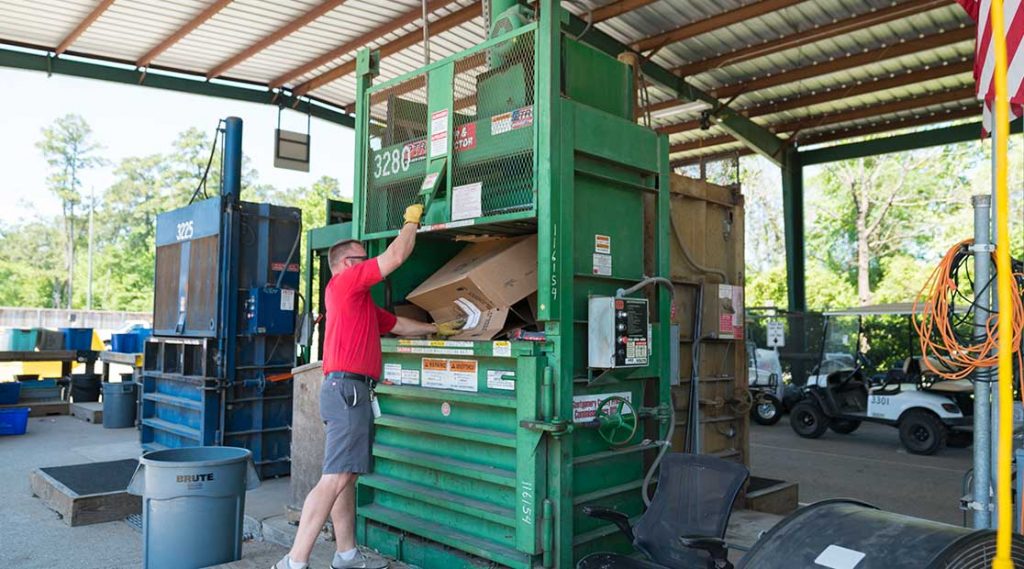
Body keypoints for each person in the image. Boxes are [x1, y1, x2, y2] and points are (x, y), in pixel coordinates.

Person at [276, 203, 463, 569]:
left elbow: (397, 325)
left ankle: (345, 554)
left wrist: (435, 329)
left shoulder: (356, 302)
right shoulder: (347, 282)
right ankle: (294, 561)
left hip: (345, 391)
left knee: (343, 477)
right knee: (335, 478)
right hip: (349, 392)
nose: (368, 262)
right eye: (363, 257)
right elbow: (396, 255)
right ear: (347, 263)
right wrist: (411, 221)